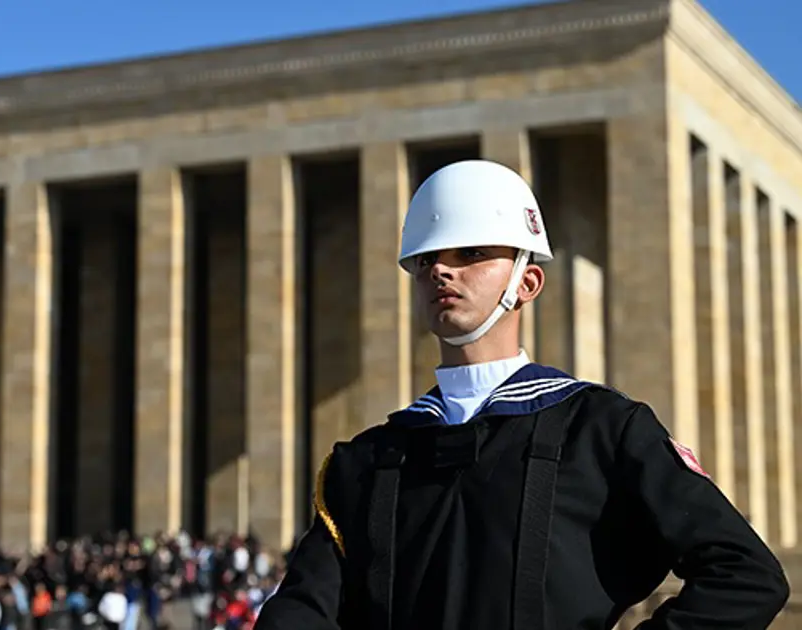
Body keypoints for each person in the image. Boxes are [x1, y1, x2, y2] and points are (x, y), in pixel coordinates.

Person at [254, 159, 789, 629]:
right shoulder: (368, 462)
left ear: (527, 283)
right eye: (426, 260)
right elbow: (301, 611)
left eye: (472, 253)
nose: (441, 269)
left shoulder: (601, 431)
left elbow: (746, 576)